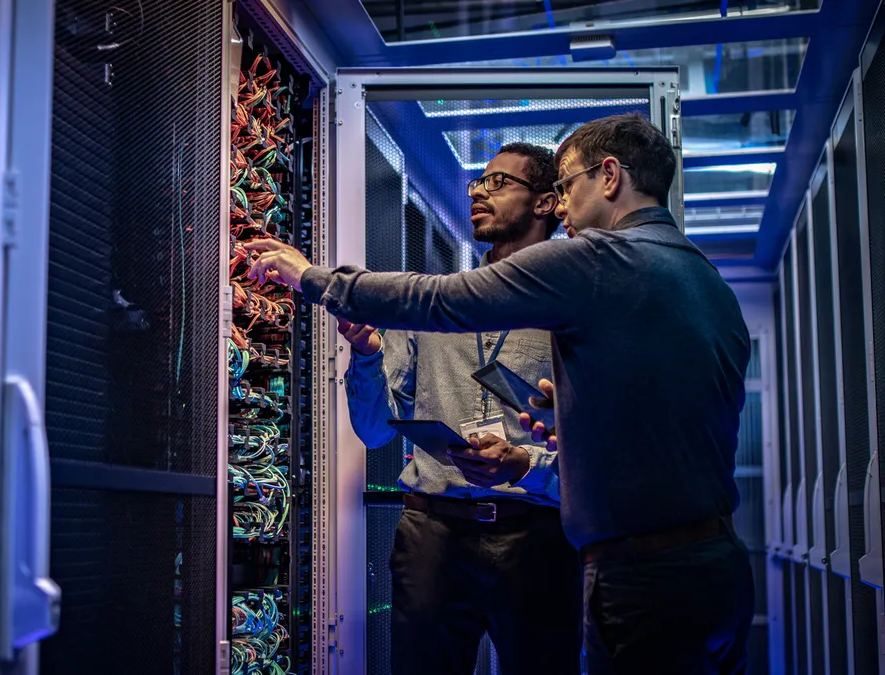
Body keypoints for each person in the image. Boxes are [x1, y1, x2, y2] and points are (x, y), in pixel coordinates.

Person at [245, 113, 754, 675]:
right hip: (710, 563)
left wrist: (312, 277)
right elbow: (673, 415)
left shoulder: (600, 261)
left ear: (609, 177)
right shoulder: (704, 279)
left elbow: (440, 302)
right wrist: (576, 418)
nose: (563, 207)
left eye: (566, 186)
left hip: (629, 568)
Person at [340, 144, 581, 675]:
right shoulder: (432, 303)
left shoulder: (570, 307)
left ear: (545, 204)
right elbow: (376, 431)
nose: (477, 193)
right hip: (433, 533)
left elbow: (598, 438)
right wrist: (366, 355)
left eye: (497, 183)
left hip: (537, 534)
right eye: (477, 183)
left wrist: (524, 462)